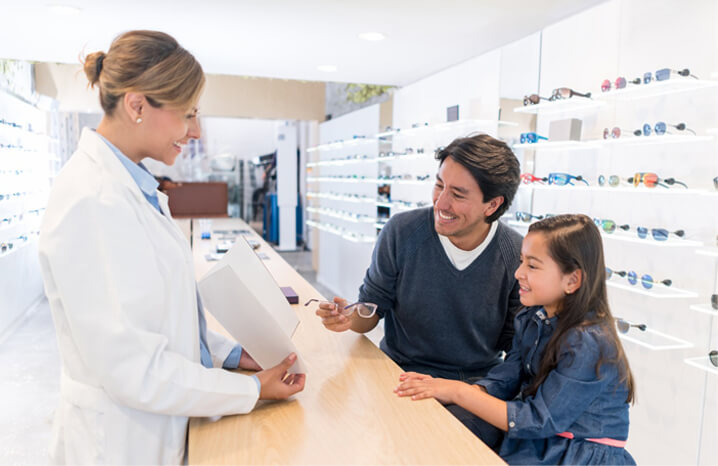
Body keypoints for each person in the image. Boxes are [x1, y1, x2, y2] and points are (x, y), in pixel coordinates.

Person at [38, 30, 305, 465]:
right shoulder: (92, 200)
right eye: (188, 114)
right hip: (120, 442)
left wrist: (233, 354)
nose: (195, 131)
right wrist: (251, 390)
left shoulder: (134, 188)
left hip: (155, 425)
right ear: (137, 105)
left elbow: (163, 320)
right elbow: (134, 369)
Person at [313, 134, 523, 444]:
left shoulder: (515, 254)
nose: (441, 203)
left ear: (492, 205)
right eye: (439, 185)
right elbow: (371, 309)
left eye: (458, 194)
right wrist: (349, 319)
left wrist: (476, 392)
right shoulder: (401, 232)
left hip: (471, 389)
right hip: (400, 374)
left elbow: (515, 349)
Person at [395, 214, 636, 465]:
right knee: (447, 422)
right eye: (522, 262)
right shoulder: (533, 316)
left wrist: (458, 391)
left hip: (571, 453)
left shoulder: (588, 343)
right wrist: (461, 391)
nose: (518, 273)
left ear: (572, 280)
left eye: (532, 266)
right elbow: (510, 374)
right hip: (539, 439)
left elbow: (538, 419)